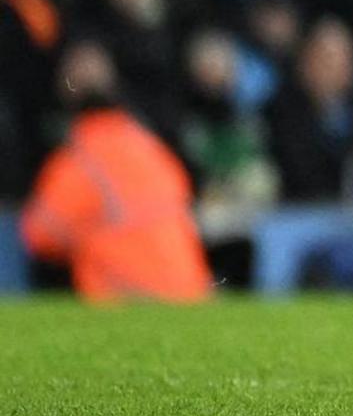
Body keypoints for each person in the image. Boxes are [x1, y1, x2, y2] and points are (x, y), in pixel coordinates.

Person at [21, 39, 216, 302]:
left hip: (130, 292)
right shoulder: (150, 146)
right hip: (191, 290)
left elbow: (38, 236)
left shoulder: (79, 159)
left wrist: (83, 233)